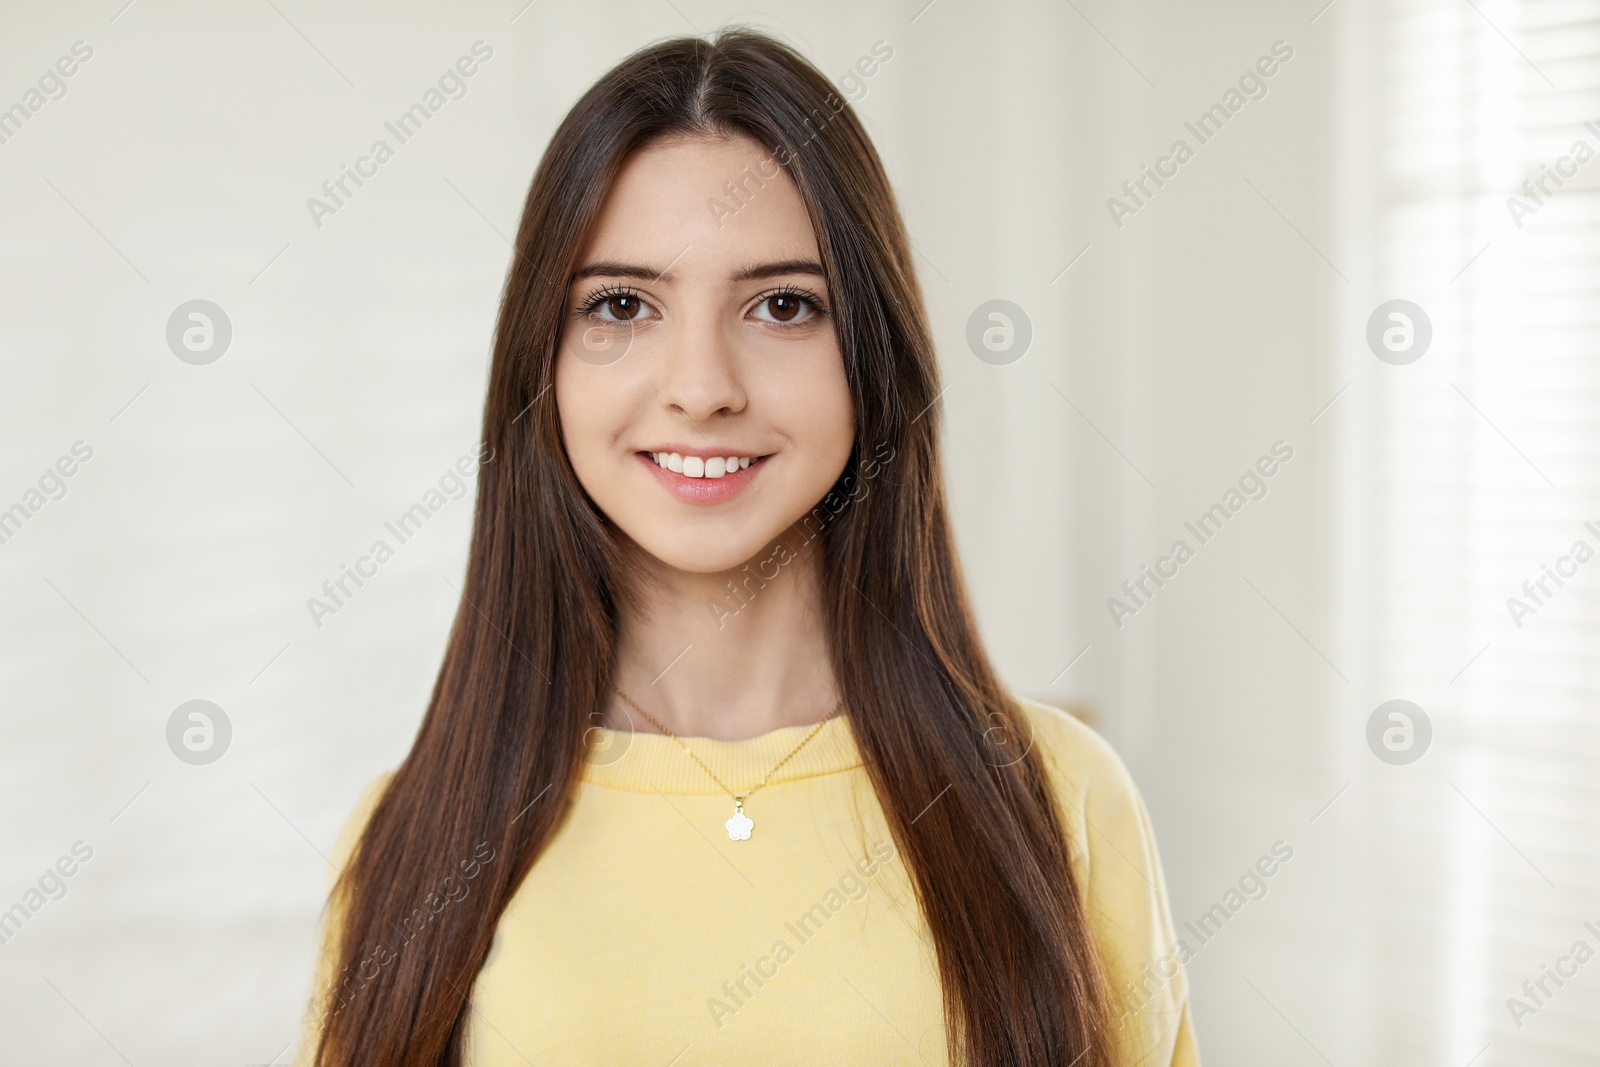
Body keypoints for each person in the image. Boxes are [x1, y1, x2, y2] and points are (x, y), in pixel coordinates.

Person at [293, 28, 1197, 1067]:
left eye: (782, 305)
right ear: (541, 366)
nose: (701, 385)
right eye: (622, 305)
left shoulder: (1061, 794)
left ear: (871, 353)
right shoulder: (411, 835)